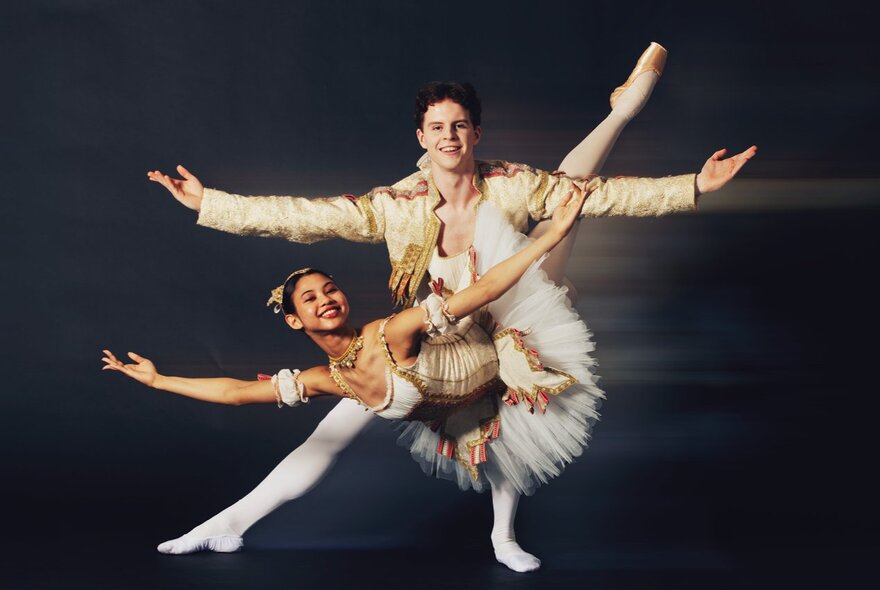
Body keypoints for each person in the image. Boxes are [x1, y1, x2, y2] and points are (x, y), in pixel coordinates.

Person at [143, 43, 757, 571]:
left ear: (476, 133)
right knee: (329, 435)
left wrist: (692, 186)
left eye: (459, 126)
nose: (448, 137)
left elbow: (596, 197)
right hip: (439, 331)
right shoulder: (395, 203)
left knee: (563, 221)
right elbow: (303, 215)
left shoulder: (510, 183)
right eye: (437, 128)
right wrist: (210, 205)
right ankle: (226, 525)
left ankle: (503, 536)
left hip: (509, 302)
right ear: (421, 137)